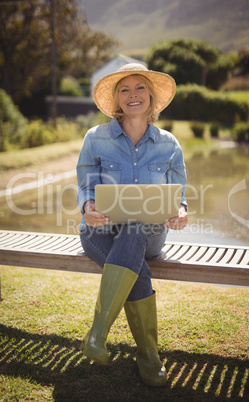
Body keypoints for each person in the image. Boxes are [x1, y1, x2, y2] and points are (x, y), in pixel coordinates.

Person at [76, 63, 188, 387]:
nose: (132, 95)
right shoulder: (95, 138)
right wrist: (88, 207)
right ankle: (149, 356)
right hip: (100, 233)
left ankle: (97, 333)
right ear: (116, 99)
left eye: (140, 88)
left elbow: (181, 192)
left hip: (151, 235)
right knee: (136, 262)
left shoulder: (169, 143)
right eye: (124, 89)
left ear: (151, 97)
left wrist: (180, 211)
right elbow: (85, 185)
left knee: (137, 227)